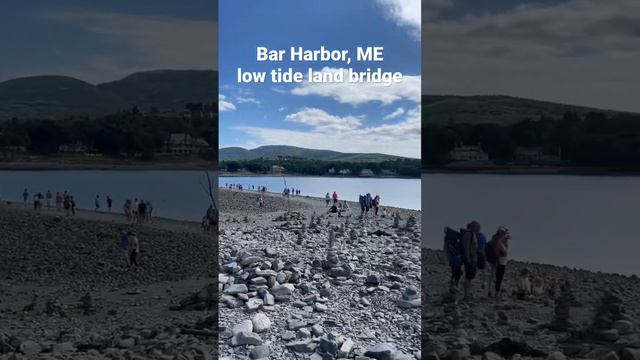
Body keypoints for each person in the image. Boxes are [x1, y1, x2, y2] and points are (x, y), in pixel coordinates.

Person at [461, 221, 480, 300]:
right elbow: (466, 247)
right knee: (468, 277)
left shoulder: (473, 234)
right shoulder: (468, 234)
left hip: (473, 258)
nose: (478, 229)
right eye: (477, 227)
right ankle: (466, 295)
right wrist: (468, 258)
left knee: (470, 277)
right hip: (470, 259)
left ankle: (467, 294)